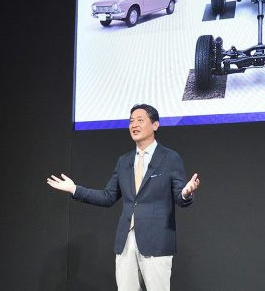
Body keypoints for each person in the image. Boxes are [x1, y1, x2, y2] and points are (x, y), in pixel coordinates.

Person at [47, 103, 200, 291]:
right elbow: (108, 196)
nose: (134, 125)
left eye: (140, 120)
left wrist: (186, 192)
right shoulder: (124, 161)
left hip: (156, 242)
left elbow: (180, 196)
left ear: (155, 125)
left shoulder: (170, 158)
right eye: (131, 121)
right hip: (126, 242)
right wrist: (74, 189)